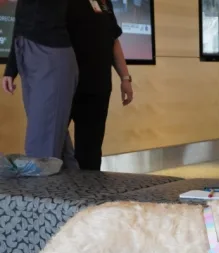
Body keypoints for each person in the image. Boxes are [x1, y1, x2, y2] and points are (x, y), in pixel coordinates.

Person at [1, 0, 78, 167]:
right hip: (29, 53)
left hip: (50, 54)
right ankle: (68, 188)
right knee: (51, 137)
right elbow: (21, 21)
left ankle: (43, 191)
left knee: (42, 143)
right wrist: (11, 69)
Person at [64, 0, 133, 171]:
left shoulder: (104, 3)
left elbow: (113, 40)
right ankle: (56, 192)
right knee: (55, 141)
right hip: (66, 83)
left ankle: (89, 191)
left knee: (91, 147)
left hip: (98, 84)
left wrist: (125, 78)